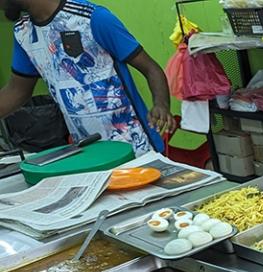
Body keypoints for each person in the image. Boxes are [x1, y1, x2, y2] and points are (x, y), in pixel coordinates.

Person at [0, 0, 175, 156]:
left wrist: (161, 104)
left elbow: (151, 69)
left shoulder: (93, 18)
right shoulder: (23, 33)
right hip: (89, 153)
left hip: (136, 147)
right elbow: (17, 90)